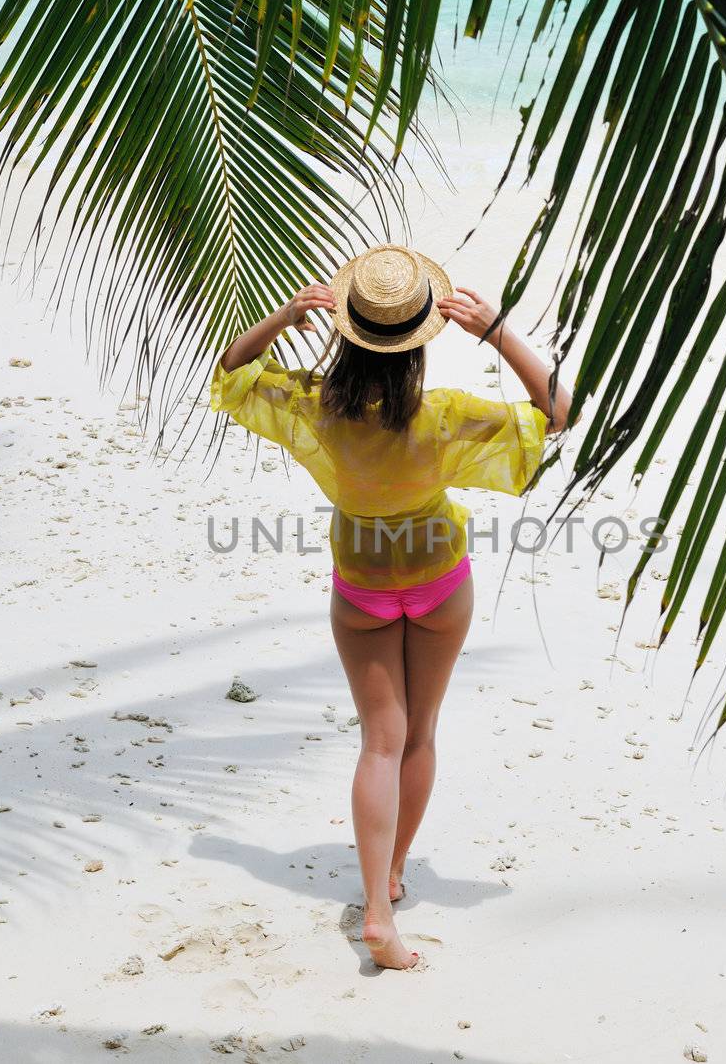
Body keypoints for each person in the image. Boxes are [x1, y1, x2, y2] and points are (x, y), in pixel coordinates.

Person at [210, 244, 573, 970]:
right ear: (418, 347)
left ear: (346, 332)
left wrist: (285, 314)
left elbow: (230, 372)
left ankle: (378, 906)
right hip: (439, 579)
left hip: (363, 588)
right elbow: (557, 412)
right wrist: (496, 330)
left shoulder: (318, 407)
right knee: (421, 733)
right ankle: (398, 868)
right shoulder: (442, 416)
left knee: (380, 739)